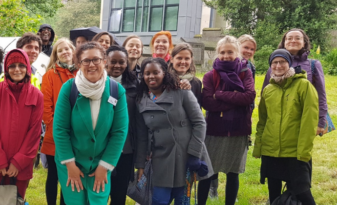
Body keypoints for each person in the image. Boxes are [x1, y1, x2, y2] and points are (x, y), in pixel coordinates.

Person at [51, 41, 129, 205]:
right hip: (71, 162)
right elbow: (60, 130)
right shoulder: (69, 89)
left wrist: (104, 166)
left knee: (97, 202)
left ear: (104, 61)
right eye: (86, 60)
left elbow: (119, 133)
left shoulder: (116, 91)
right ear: (78, 63)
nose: (91, 64)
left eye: (96, 59)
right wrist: (70, 165)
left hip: (100, 164)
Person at [135, 58, 212, 205]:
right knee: (158, 200)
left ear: (164, 73)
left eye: (156, 72)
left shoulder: (181, 92)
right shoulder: (141, 101)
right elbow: (142, 136)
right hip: (159, 158)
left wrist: (194, 155)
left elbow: (199, 123)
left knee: (182, 200)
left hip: (185, 156)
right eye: (147, 73)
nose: (151, 76)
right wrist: (140, 165)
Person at [0, 49, 44, 205]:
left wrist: (18, 162)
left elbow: (34, 132)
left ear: (27, 67)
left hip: (20, 166)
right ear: (6, 69)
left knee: (15, 201)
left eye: (21, 65)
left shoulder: (36, 95)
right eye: (12, 65)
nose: (16, 69)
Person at [197, 36, 257, 205]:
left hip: (238, 130)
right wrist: (235, 101)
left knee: (233, 173)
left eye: (230, 52)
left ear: (237, 52)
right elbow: (208, 102)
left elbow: (249, 96)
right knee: (207, 172)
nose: (226, 56)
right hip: (215, 130)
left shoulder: (245, 72)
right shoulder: (210, 76)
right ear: (217, 54)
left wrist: (221, 95)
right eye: (222, 52)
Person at [254, 49, 319, 205]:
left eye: (282, 61)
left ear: (289, 63)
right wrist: (259, 147)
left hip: (294, 150)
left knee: (302, 192)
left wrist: (303, 151)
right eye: (274, 62)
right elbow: (263, 120)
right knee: (274, 194)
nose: (278, 65)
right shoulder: (268, 90)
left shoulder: (304, 86)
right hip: (271, 150)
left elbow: (309, 121)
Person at [262, 28, 329, 137]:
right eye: (289, 38)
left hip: (303, 119)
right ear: (284, 42)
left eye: (298, 38)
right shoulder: (275, 65)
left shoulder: (313, 65)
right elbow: (265, 95)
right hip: (277, 120)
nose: (293, 41)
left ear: (304, 43)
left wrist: (320, 121)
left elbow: (320, 94)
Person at [40, 38, 77, 205]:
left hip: (77, 135)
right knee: (53, 174)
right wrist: (59, 129)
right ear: (56, 55)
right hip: (54, 134)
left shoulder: (81, 73)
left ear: (73, 51)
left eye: (67, 49)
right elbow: (45, 107)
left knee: (68, 175)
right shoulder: (50, 75)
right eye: (60, 50)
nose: (65, 52)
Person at [105, 45, 141, 205]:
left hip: (126, 149)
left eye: (121, 62)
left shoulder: (136, 85)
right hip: (101, 147)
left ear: (127, 63)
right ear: (105, 61)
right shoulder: (96, 83)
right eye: (113, 61)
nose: (117, 65)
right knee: (99, 193)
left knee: (119, 195)